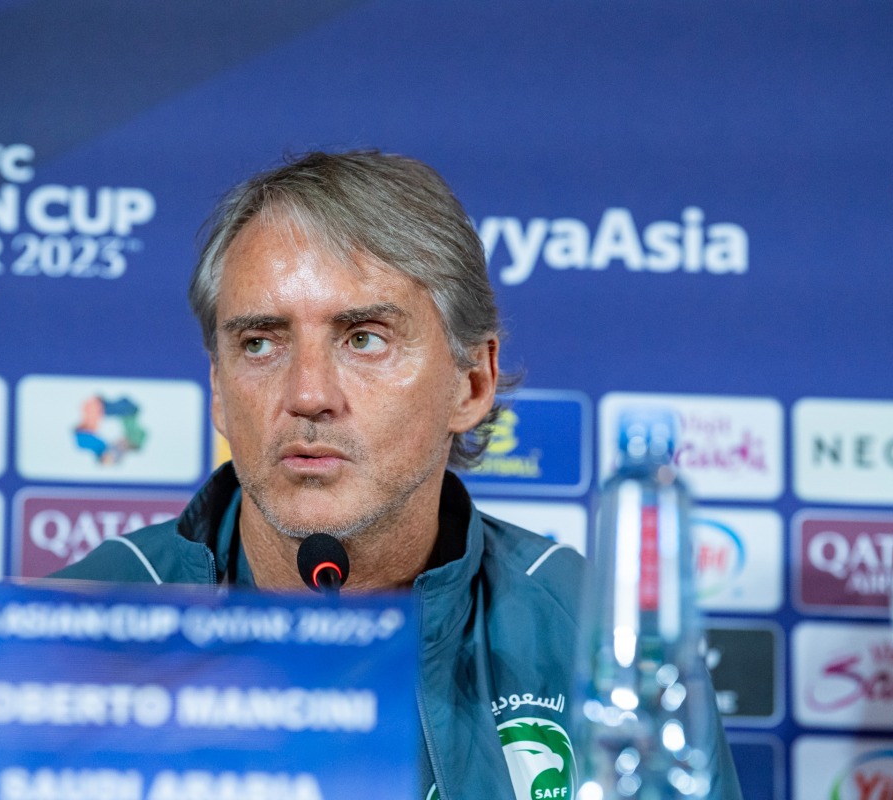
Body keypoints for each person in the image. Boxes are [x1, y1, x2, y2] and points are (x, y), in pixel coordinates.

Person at [49, 150, 743, 799]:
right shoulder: (75, 626)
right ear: (220, 391)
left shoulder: (594, 631)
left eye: (364, 338)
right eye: (260, 342)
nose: (308, 394)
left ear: (472, 383)